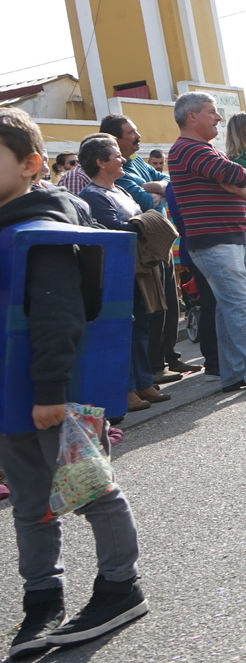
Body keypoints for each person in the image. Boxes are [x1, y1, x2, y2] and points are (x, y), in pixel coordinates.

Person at [0, 108, 150, 656]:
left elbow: (57, 314)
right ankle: (42, 599)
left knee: (89, 489)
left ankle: (120, 586)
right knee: (29, 501)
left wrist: (50, 392)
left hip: (53, 392)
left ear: (30, 164)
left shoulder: (45, 232)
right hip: (11, 395)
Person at [166, 91, 246, 392]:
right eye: (212, 112)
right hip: (216, 241)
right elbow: (232, 172)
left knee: (228, 308)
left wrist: (241, 183)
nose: (219, 117)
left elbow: (244, 183)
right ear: (191, 116)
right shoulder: (187, 149)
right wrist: (241, 181)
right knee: (239, 306)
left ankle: (233, 372)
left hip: (230, 237)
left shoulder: (204, 150)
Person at [75, 134, 168, 413]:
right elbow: (116, 229)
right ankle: (125, 389)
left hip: (137, 268)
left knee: (140, 328)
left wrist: (142, 223)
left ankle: (143, 382)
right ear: (100, 162)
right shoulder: (92, 195)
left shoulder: (121, 191)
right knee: (123, 331)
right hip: (116, 273)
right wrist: (146, 223)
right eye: (116, 155)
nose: (123, 159)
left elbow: (137, 219)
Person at [99, 115, 191, 377]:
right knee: (155, 305)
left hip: (161, 237)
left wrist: (156, 186)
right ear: (114, 139)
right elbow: (145, 201)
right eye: (131, 132)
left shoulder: (137, 161)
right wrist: (157, 189)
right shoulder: (118, 173)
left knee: (171, 302)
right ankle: (155, 366)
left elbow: (168, 182)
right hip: (145, 246)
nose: (138, 136)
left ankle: (170, 356)